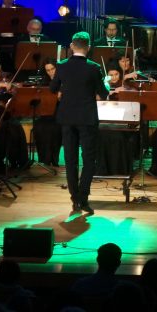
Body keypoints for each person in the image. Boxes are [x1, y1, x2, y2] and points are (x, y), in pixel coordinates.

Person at [51, 32, 108, 215]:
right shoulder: (94, 67)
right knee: (89, 159)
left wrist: (64, 88)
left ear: (71, 46)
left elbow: (53, 88)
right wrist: (105, 85)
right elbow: (103, 93)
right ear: (88, 48)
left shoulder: (62, 66)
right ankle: (83, 198)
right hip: (87, 118)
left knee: (70, 159)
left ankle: (74, 198)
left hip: (67, 118)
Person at [32, 58, 62, 166]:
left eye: (52, 69)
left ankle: (54, 159)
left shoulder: (64, 80)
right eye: (48, 70)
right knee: (39, 127)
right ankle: (44, 159)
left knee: (55, 128)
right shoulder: (44, 82)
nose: (51, 72)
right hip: (46, 113)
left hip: (59, 113)